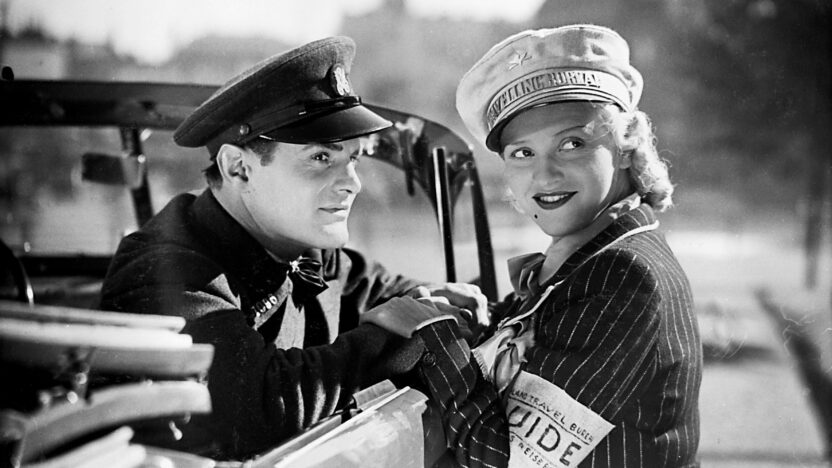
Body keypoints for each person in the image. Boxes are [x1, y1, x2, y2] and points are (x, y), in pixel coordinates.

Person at [99, 36, 487, 460]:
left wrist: (437, 303)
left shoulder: (305, 246)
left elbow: (381, 289)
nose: (353, 183)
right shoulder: (161, 270)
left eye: (353, 159)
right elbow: (262, 409)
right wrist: (389, 336)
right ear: (238, 168)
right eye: (321, 158)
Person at [363, 25, 702, 467]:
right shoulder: (591, 258)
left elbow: (505, 459)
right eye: (522, 153)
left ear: (626, 143)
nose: (545, 175)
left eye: (572, 144)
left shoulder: (623, 274)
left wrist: (433, 331)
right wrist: (482, 319)